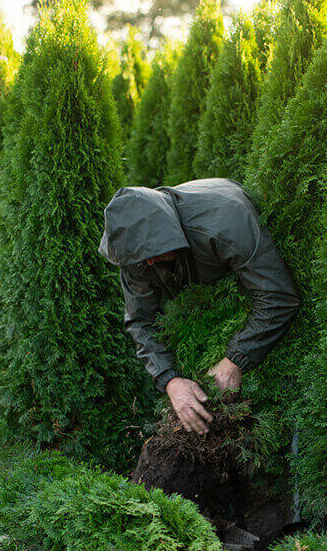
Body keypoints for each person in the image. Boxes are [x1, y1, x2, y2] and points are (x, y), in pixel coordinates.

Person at [99, 178, 300, 435]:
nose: (147, 264)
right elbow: (141, 321)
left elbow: (278, 296)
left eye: (151, 254)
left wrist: (235, 360)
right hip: (202, 302)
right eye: (140, 259)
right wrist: (170, 380)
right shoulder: (135, 252)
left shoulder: (226, 221)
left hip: (243, 288)